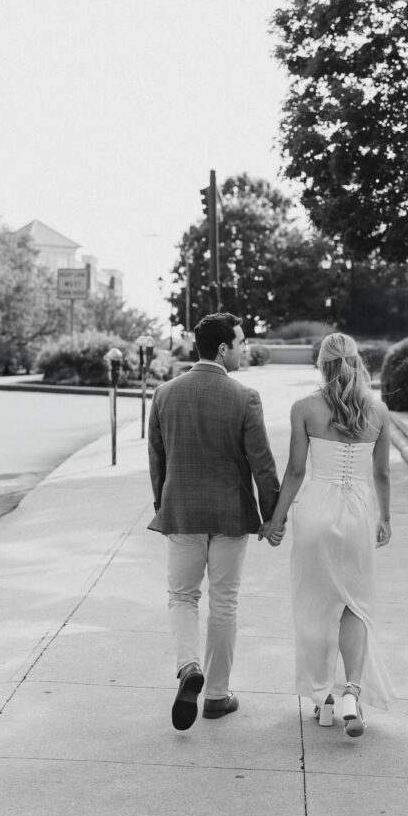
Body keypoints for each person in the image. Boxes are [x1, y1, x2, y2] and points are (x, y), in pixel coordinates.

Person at [148, 312, 281, 731]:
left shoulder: (165, 394)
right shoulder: (245, 397)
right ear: (223, 348)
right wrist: (273, 516)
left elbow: (158, 460)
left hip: (182, 511)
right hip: (230, 515)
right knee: (224, 603)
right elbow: (262, 464)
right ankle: (217, 696)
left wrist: (163, 505)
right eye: (240, 343)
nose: (244, 349)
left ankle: (189, 667)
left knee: (182, 597)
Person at [264, 332, 394, 738]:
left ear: (321, 365)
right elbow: (383, 473)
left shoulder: (304, 407)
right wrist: (385, 518)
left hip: (316, 512)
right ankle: (352, 691)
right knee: (355, 604)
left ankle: (323, 700)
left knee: (315, 607)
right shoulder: (377, 411)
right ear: (357, 362)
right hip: (357, 515)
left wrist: (277, 519)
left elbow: (297, 471)